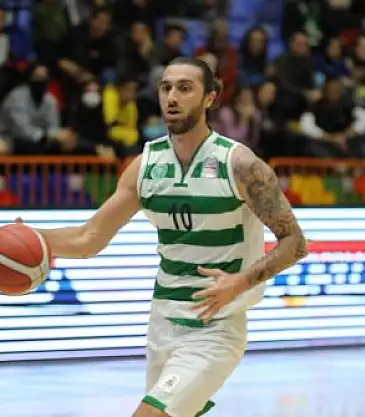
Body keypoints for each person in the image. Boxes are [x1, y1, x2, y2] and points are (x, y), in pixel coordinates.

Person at [21, 56, 308, 417]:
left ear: (210, 98)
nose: (172, 97)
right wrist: (30, 236)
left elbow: (295, 242)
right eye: (166, 87)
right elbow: (89, 238)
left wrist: (241, 281)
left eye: (185, 88)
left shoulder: (239, 164)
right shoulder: (146, 164)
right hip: (162, 323)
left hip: (215, 327)